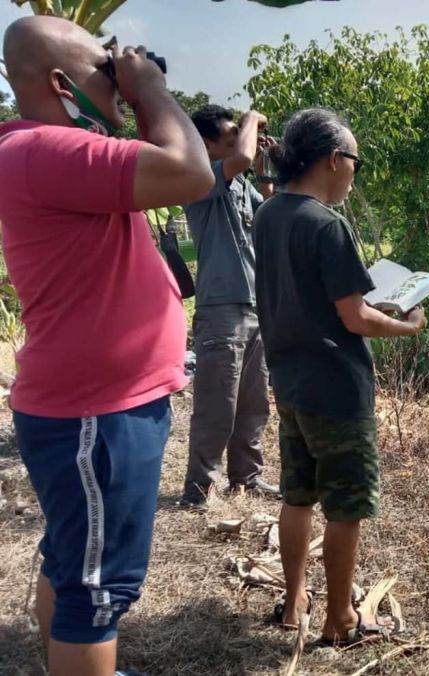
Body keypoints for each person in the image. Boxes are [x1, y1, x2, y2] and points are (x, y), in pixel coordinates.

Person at [0, 16, 213, 676]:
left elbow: (165, 161)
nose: (118, 76)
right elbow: (190, 170)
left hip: (94, 407)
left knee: (73, 563)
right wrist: (148, 86)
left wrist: (132, 96)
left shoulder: (42, 151)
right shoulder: (47, 152)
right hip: (98, 412)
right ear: (61, 84)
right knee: (97, 588)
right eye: (105, 68)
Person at [253, 108, 426, 644]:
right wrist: (408, 324)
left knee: (297, 494)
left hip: (290, 382)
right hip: (335, 385)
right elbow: (355, 316)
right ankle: (340, 619)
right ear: (333, 159)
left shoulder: (269, 213)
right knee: (346, 506)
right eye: (355, 160)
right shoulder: (326, 224)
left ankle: (293, 600)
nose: (355, 171)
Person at [177, 104, 278, 509]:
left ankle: (247, 476)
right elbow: (239, 158)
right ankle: (199, 488)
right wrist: (252, 119)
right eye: (230, 134)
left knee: (254, 401)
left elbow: (269, 214)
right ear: (205, 143)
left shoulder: (239, 186)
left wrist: (266, 169)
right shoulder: (198, 178)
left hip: (255, 304)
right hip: (221, 308)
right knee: (218, 402)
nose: (240, 140)